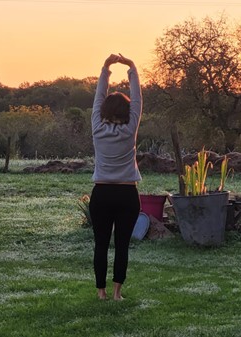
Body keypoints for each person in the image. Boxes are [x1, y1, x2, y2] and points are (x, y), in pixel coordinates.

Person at [89, 53, 142, 301]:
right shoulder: (130, 129)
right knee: (121, 245)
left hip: (101, 193)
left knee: (101, 244)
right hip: (126, 193)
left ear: (104, 111)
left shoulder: (97, 128)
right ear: (128, 111)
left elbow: (99, 97)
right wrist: (131, 68)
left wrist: (105, 69)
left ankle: (101, 292)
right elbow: (138, 100)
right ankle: (117, 293)